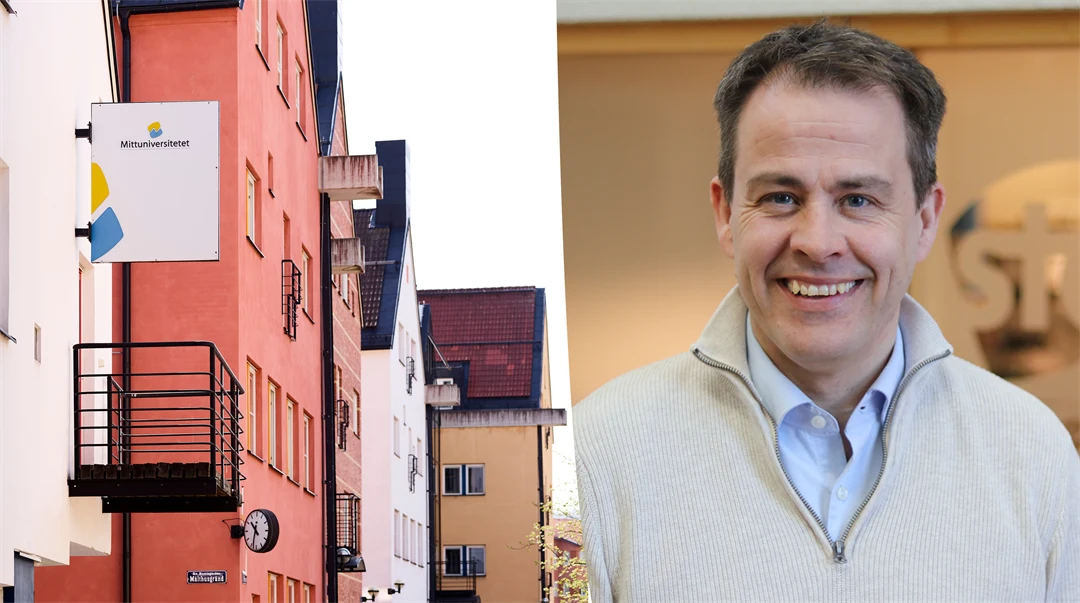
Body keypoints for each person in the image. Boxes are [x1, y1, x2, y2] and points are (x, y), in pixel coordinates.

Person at [572, 20, 1079, 602]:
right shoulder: (593, 456)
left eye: (858, 200)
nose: (818, 241)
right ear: (724, 213)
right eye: (780, 197)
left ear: (924, 220)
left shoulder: (1030, 448)